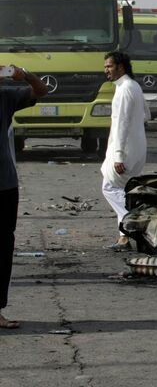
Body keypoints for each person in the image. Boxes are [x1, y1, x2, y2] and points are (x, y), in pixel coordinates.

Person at [0, 65, 48, 329]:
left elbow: (41, 91)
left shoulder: (5, 97)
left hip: (5, 184)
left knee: (4, 247)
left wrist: (25, 74)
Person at [101, 52, 150, 251]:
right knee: (123, 190)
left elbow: (121, 123)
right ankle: (124, 236)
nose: (106, 71)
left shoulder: (125, 89)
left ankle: (135, 222)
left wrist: (119, 155)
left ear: (120, 67)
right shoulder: (133, 86)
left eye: (109, 66)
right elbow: (146, 115)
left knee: (110, 188)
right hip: (136, 148)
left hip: (125, 151)